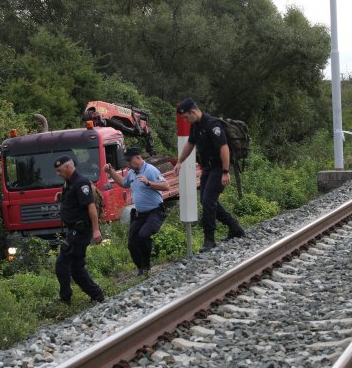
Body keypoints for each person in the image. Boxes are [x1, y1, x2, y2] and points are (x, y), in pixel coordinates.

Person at [174, 98, 244, 252]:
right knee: (206, 201)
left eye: (186, 117)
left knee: (208, 201)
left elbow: (224, 148)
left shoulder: (212, 124)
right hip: (208, 169)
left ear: (193, 112)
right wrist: (180, 161)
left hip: (219, 168)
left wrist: (226, 172)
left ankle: (209, 240)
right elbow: (190, 145)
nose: (186, 120)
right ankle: (235, 227)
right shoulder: (195, 126)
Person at [104, 147, 169, 276]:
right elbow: (123, 183)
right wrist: (111, 171)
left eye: (130, 160)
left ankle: (146, 265)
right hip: (141, 214)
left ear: (138, 158)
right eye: (126, 161)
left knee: (144, 234)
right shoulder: (132, 173)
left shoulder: (150, 170)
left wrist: (149, 182)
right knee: (132, 242)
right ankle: (141, 268)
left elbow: (165, 186)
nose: (128, 163)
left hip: (155, 211)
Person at [53, 155, 105, 304]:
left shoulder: (81, 182)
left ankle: (65, 298)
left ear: (68, 167)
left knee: (62, 263)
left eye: (59, 170)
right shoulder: (68, 182)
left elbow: (91, 206)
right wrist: (61, 198)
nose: (58, 173)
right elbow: (73, 201)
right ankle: (97, 295)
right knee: (76, 268)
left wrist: (96, 230)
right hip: (73, 230)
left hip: (80, 230)